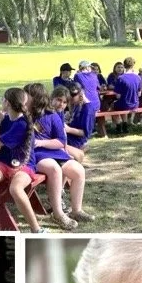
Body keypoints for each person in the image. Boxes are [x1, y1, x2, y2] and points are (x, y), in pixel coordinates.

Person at [0, 88, 44, 233]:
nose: (2, 102)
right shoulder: (6, 119)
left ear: (8, 103)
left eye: (3, 99)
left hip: (24, 165)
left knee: (16, 189)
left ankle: (37, 230)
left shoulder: (21, 124)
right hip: (4, 163)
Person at [24, 82, 91, 229]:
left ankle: (76, 210)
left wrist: (41, 143)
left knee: (79, 170)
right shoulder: (23, 115)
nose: (24, 98)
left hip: (54, 152)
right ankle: (58, 214)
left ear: (35, 98)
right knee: (54, 169)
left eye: (26, 95)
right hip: (36, 155)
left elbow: (61, 141)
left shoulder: (51, 115)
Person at [64, 84, 96, 160]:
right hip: (71, 136)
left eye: (71, 98)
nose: (70, 101)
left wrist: (68, 129)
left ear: (80, 94)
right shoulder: (77, 105)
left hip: (77, 140)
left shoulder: (88, 109)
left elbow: (85, 133)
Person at [113, 59, 142, 135]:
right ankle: (125, 125)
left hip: (124, 104)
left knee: (111, 107)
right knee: (121, 105)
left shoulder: (121, 78)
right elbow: (139, 94)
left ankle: (118, 126)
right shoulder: (138, 77)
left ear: (124, 66)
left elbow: (118, 96)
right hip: (135, 104)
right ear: (133, 66)